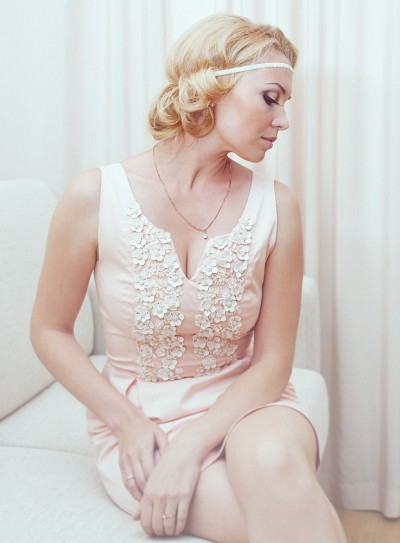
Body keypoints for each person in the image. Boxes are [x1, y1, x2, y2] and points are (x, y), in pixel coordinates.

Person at [30, 13, 347, 543]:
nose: (284, 120)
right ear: (213, 87)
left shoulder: (278, 206)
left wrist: (192, 446)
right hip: (140, 423)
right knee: (287, 520)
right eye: (271, 98)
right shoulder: (93, 196)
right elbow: (49, 330)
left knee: (273, 461)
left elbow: (274, 361)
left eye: (285, 103)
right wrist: (127, 424)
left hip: (251, 404)